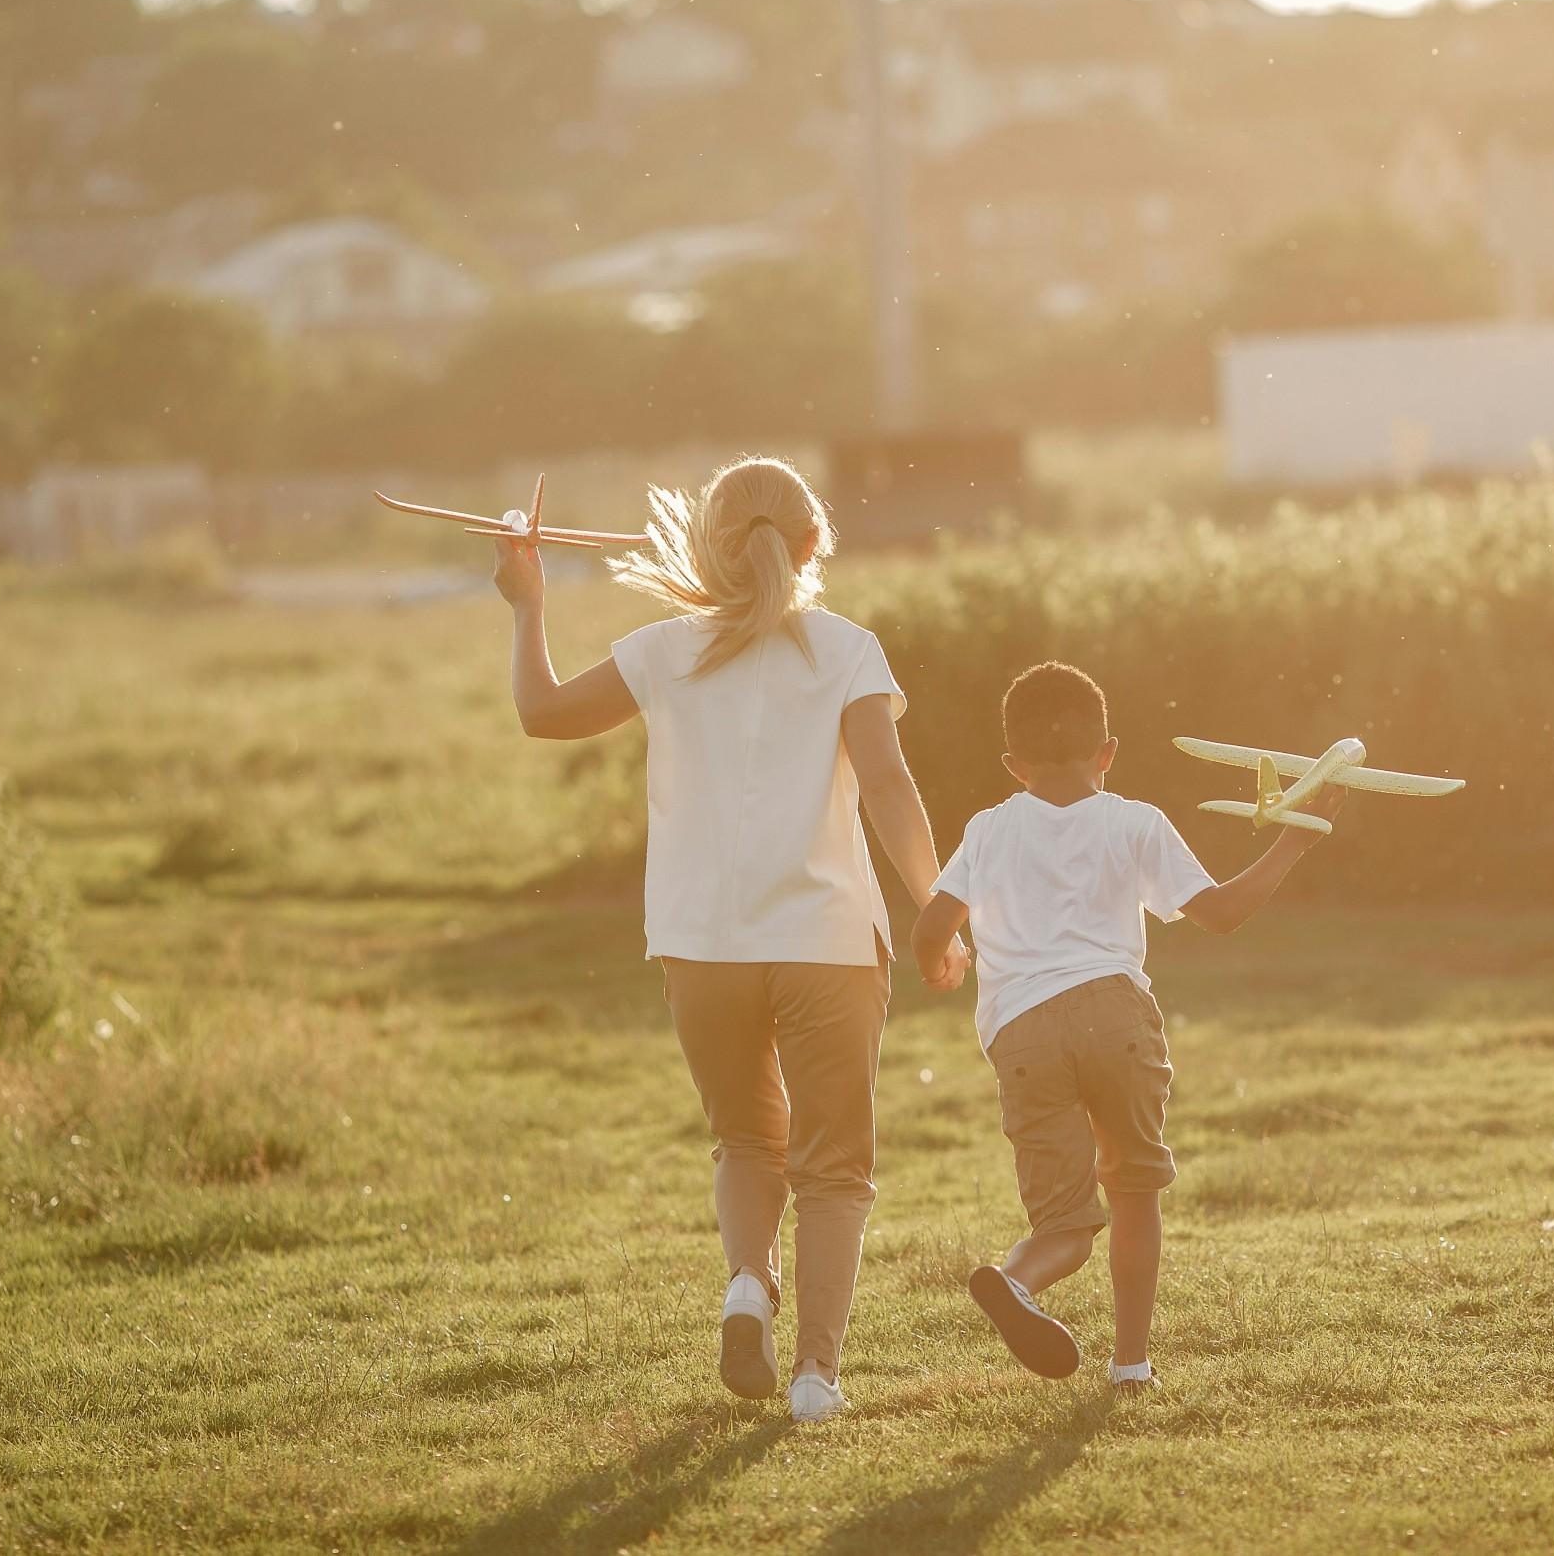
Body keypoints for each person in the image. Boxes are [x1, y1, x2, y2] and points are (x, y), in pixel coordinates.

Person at [487, 455, 960, 1424]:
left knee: (747, 1139)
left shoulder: (662, 651)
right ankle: (816, 1380)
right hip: (826, 939)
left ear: (707, 546)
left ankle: (749, 1285)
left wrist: (526, 603)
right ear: (813, 545)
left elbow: (539, 715)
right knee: (834, 1170)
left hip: (702, 944)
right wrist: (936, 904)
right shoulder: (846, 650)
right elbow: (887, 786)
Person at [909, 661, 1337, 1392]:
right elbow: (1222, 913)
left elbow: (932, 924)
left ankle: (1016, 1279)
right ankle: (1132, 1364)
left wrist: (942, 961)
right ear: (1108, 750)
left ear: (1013, 765)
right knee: (1134, 1190)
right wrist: (1296, 839)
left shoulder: (988, 828)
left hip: (1023, 1033)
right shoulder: (1136, 820)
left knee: (1067, 1226)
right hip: (1115, 1016)